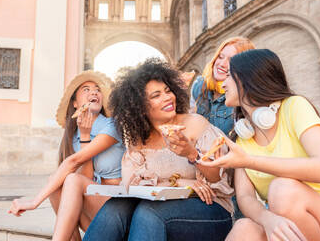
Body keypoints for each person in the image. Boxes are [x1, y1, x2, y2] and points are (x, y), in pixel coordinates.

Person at [200, 49, 320, 240]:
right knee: (244, 227)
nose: (223, 83)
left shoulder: (294, 106)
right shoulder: (243, 136)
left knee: (282, 190)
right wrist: (267, 219)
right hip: (281, 218)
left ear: (247, 79)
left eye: (229, 76)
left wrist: (249, 161)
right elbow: (245, 197)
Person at [83, 58, 234, 241]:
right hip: (160, 211)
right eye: (156, 96)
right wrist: (179, 182)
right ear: (140, 107)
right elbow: (132, 187)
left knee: (149, 212)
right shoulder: (138, 141)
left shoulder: (195, 124)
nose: (167, 98)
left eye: (168, 91)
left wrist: (191, 154)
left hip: (210, 210)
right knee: (116, 207)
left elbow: (218, 178)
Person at [8, 71, 125, 241]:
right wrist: (85, 136)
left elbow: (74, 162)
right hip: (96, 209)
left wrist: (34, 202)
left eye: (97, 89)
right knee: (56, 184)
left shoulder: (113, 126)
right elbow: (85, 179)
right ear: (76, 104)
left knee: (70, 178)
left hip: (119, 206)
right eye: (86, 89)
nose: (94, 92)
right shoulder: (77, 136)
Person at [191, 36, 255, 136]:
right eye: (220, 57)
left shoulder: (244, 98)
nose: (222, 64)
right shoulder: (199, 85)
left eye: (231, 61)